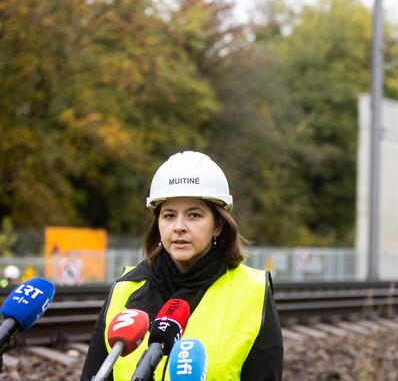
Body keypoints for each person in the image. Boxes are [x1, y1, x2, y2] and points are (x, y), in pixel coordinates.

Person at [81, 151, 283, 380]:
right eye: (168, 215)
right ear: (157, 224)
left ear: (217, 225)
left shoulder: (252, 293)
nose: (179, 227)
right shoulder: (124, 289)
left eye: (194, 215)